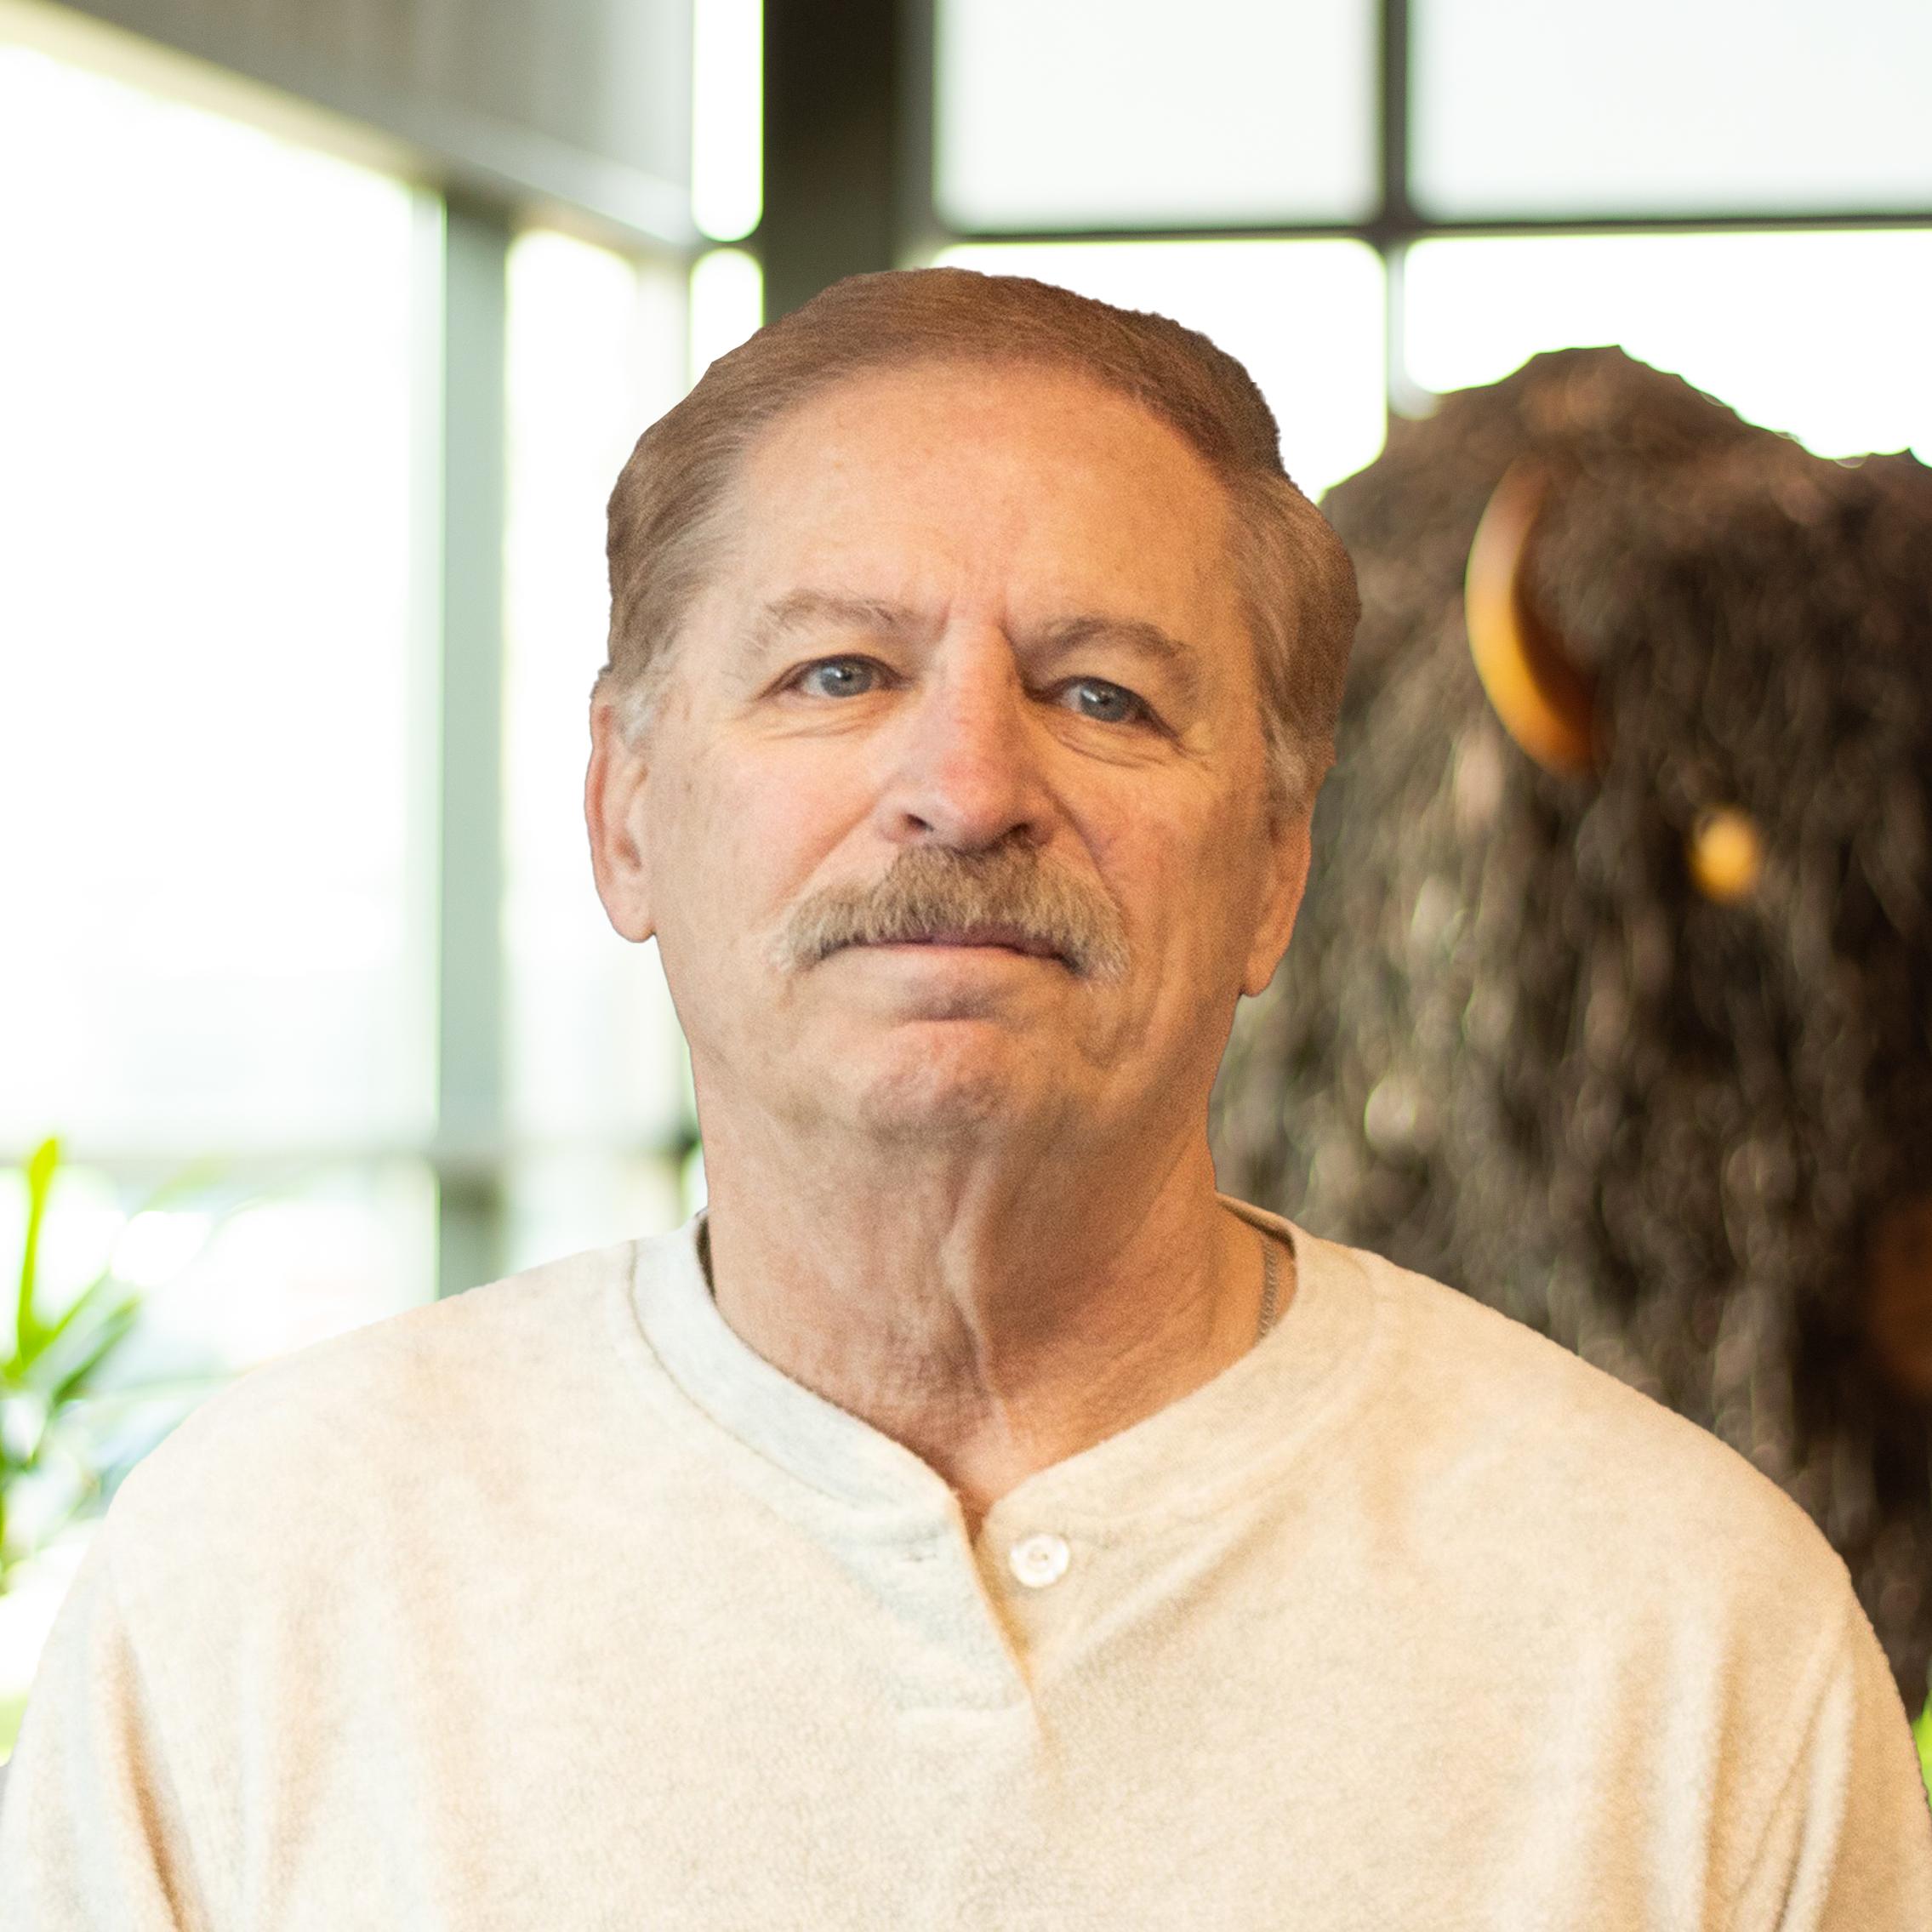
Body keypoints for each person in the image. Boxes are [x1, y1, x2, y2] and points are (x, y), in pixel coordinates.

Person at [1, 268, 1927, 1928]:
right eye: (837, 671)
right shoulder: (254, 1582)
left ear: (1272, 867)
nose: (965, 782)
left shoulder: (1688, 1632)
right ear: (622, 815)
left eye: (1103, 695)